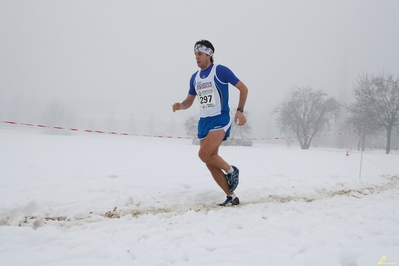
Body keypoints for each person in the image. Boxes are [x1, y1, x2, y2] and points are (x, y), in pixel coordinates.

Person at [172, 40, 248, 206]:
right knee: (209, 160)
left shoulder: (220, 71)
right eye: (195, 55)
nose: (196, 58)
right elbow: (189, 101)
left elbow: (243, 88)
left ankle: (231, 170)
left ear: (209, 54)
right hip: (204, 122)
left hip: (220, 118)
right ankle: (231, 196)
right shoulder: (195, 77)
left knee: (204, 155)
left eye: (199, 54)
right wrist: (181, 106)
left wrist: (240, 110)